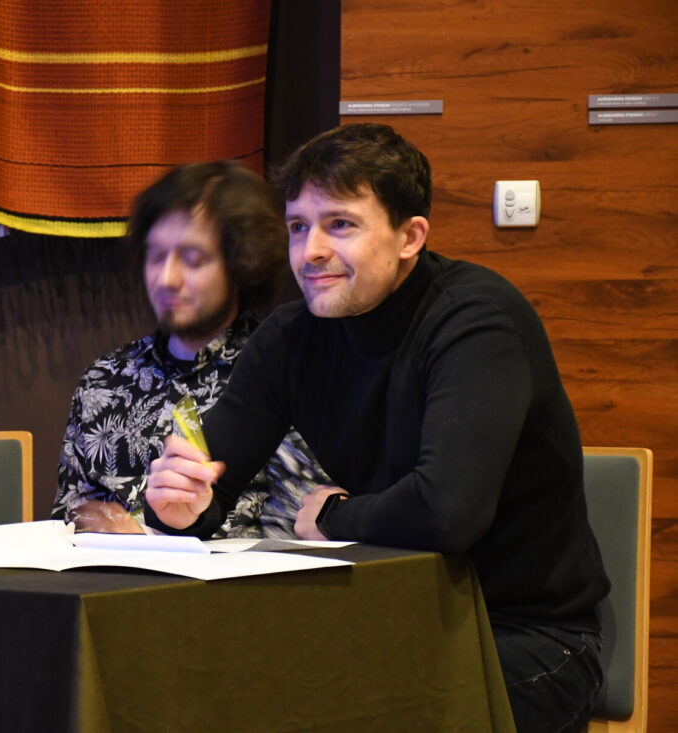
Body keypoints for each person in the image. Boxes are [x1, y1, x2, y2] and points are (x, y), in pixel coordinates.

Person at [145, 124, 610, 732]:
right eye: (298, 226)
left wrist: (334, 516)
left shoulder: (476, 321)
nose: (310, 251)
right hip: (387, 627)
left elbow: (447, 512)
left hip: (528, 637)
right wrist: (180, 508)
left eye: (339, 224)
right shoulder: (290, 338)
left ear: (410, 236)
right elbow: (212, 482)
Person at [52, 160, 334, 536]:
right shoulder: (105, 378)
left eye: (193, 259)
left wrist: (145, 533)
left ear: (242, 267)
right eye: (156, 256)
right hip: (108, 574)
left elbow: (302, 526)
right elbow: (69, 515)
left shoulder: (278, 373)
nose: (167, 278)